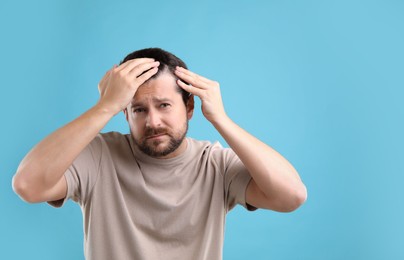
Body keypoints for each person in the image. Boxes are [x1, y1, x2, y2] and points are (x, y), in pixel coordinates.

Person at [12, 48, 307, 260]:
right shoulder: (99, 155)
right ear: (124, 113)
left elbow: (292, 195)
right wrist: (104, 106)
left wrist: (222, 120)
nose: (153, 121)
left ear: (189, 108)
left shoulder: (214, 164)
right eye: (138, 110)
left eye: (164, 105)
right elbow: (27, 185)